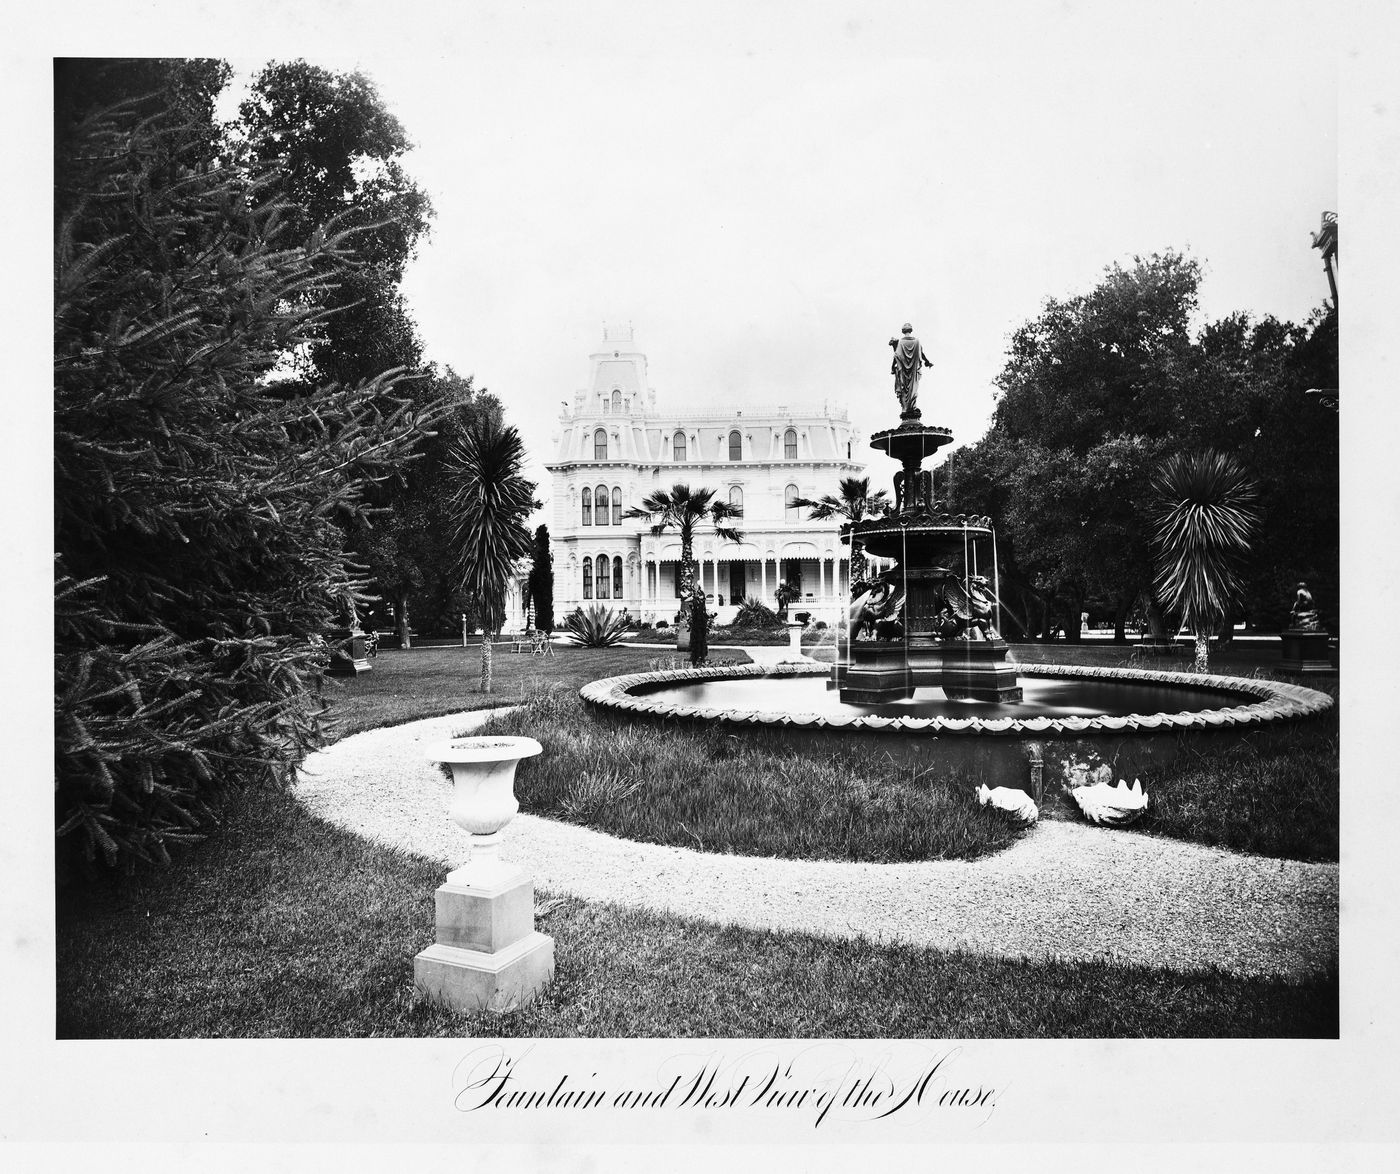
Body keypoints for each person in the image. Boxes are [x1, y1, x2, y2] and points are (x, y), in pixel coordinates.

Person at [888, 323, 933, 416]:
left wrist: (893, 367)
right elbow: (921, 353)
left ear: (903, 331)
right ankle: (912, 407)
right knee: (913, 388)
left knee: (904, 388)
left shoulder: (901, 342)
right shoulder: (917, 341)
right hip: (913, 371)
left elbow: (897, 355)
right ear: (911, 330)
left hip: (903, 371)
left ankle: (907, 408)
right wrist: (927, 362)